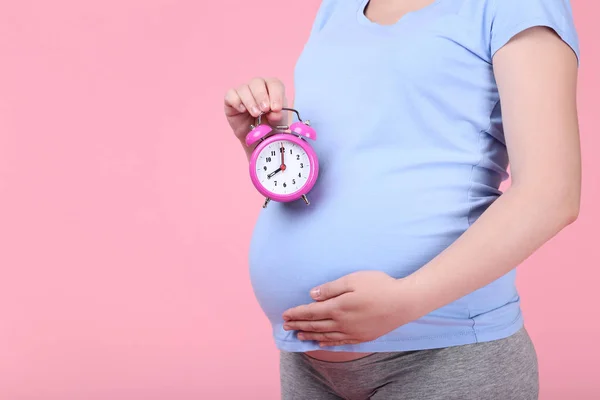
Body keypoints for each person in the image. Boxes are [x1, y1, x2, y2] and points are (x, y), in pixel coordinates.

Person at [223, 0, 581, 399]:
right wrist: (272, 144)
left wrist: (406, 301)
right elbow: (356, 160)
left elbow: (552, 194)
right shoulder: (337, 8)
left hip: (446, 357)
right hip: (307, 363)